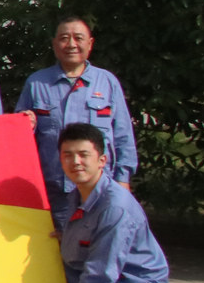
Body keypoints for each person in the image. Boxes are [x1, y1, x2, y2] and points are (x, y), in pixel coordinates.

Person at [55, 124, 169, 283]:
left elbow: (101, 271)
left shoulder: (115, 206)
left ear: (102, 160)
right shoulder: (78, 196)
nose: (75, 162)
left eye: (83, 155)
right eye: (68, 155)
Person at [17, 16, 138, 218]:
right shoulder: (37, 83)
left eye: (78, 38)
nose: (71, 44)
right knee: (58, 238)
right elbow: (19, 140)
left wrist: (123, 180)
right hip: (52, 191)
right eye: (64, 38)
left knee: (100, 238)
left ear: (90, 43)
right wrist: (27, 125)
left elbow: (123, 136)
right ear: (54, 44)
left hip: (100, 189)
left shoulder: (107, 82)